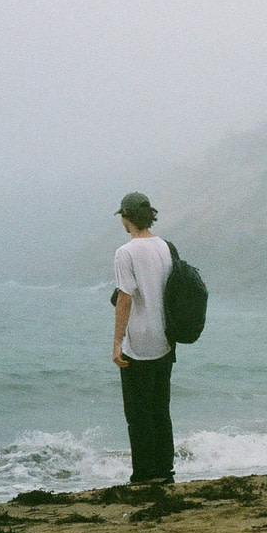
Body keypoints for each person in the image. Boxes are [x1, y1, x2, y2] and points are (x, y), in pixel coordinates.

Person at [111, 191, 176, 484]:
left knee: (137, 412)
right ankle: (164, 470)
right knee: (161, 408)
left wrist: (116, 344)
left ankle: (143, 474)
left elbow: (125, 299)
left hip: (138, 342)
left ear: (127, 217)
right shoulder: (164, 246)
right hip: (165, 339)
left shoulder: (126, 252)